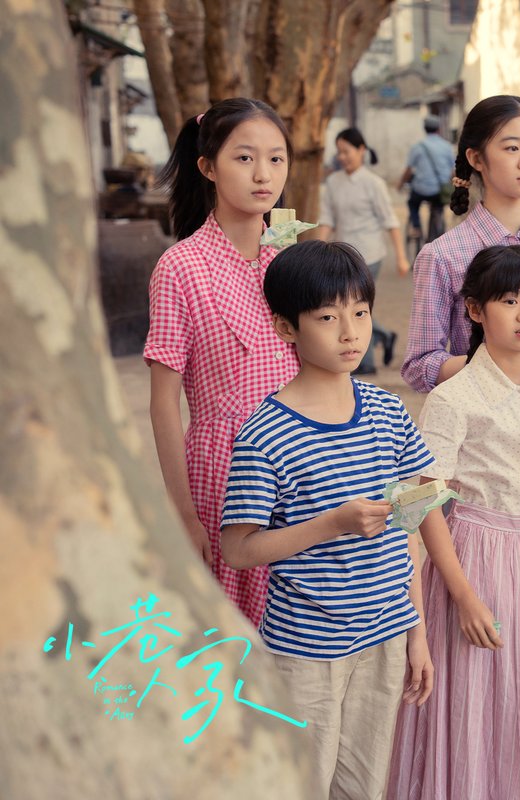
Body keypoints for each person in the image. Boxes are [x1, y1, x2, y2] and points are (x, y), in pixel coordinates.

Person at [220, 240, 434, 799]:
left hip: (386, 630)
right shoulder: (263, 434)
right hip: (306, 647)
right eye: (327, 317)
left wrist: (418, 633)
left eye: (360, 313)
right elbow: (239, 549)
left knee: (363, 788)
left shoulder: (387, 411)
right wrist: (332, 524)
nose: (349, 332)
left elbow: (411, 525)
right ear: (286, 328)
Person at [389, 244, 520, 799]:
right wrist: (461, 595)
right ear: (475, 310)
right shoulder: (453, 397)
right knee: (478, 695)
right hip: (474, 555)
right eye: (509, 300)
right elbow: (424, 502)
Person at [401, 94, 520, 604]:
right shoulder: (443, 256)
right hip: (478, 456)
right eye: (511, 147)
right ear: (476, 158)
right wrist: (498, 368)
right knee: (478, 595)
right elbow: (419, 366)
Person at [144, 98, 300, 624]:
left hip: (306, 469)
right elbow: (163, 403)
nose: (264, 175)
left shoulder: (292, 258)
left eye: (277, 159)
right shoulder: (180, 267)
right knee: (237, 647)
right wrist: (184, 516)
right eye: (245, 158)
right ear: (207, 166)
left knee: (305, 645)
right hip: (224, 475)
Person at [315, 127, 408, 376]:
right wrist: (315, 250)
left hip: (370, 254)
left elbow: (390, 221)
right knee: (349, 305)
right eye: (339, 152)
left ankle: (365, 363)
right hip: (343, 256)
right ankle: (384, 336)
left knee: (356, 305)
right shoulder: (333, 183)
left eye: (347, 151)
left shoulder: (373, 183)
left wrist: (401, 256)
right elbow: (327, 220)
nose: (343, 156)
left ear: (361, 150)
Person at [399, 115, 455, 242]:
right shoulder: (447, 147)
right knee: (439, 206)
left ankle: (416, 227)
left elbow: (408, 170)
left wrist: (401, 184)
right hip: (440, 191)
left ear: (425, 129)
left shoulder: (417, 147)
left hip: (421, 190)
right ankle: (440, 226)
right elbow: (453, 171)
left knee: (412, 203)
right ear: (439, 129)